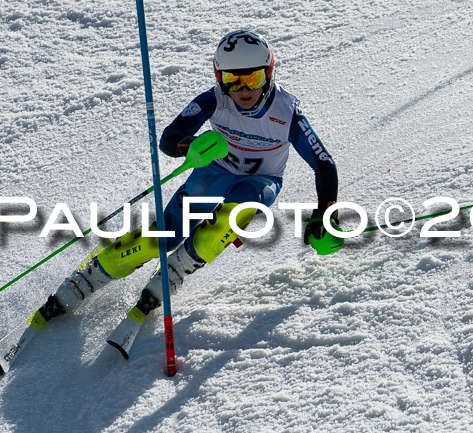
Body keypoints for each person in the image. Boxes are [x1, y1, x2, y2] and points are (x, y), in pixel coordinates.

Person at [30, 30, 339, 327]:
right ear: (220, 78)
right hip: (214, 172)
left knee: (223, 224)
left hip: (260, 181)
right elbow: (170, 138)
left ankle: (176, 272)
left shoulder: (286, 112)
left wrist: (324, 213)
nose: (243, 90)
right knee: (161, 239)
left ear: (268, 73)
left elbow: (324, 164)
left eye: (253, 78)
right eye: (233, 80)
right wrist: (190, 145)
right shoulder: (214, 99)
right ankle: (95, 272)